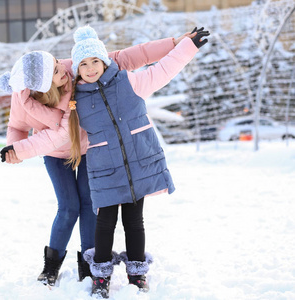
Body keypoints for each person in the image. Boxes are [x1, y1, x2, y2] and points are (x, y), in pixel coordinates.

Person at [0, 30, 197, 286]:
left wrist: (173, 44)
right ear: (43, 85)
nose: (65, 70)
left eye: (60, 63)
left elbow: (129, 57)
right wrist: (14, 149)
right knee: (68, 207)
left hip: (89, 148)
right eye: (57, 70)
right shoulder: (24, 99)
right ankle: (51, 265)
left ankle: (87, 263)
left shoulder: (74, 69)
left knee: (92, 204)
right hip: (54, 153)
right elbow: (17, 127)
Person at [66, 25, 209, 298]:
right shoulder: (76, 100)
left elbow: (162, 69)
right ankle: (100, 278)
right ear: (77, 69)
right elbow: (58, 130)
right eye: (83, 64)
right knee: (105, 223)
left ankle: (137, 274)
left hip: (136, 165)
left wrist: (186, 46)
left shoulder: (128, 82)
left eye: (95, 60)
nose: (90, 67)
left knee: (134, 221)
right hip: (104, 170)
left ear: (105, 60)